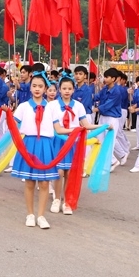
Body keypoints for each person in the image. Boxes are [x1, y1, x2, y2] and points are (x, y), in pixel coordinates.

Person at [11, 72, 58, 229]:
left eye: (40, 86)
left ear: (45, 89)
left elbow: (59, 128)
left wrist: (79, 131)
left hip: (45, 145)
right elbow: (13, 124)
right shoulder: (23, 107)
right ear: (30, 88)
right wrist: (5, 113)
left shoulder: (52, 107)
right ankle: (30, 214)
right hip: (29, 144)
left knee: (44, 183)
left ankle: (41, 216)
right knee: (30, 182)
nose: (37, 89)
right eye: (34, 86)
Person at [50, 75, 99, 213]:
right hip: (58, 142)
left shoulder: (78, 106)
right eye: (64, 88)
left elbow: (86, 125)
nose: (67, 91)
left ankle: (67, 202)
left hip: (73, 143)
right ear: (59, 89)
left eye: (69, 88)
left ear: (73, 90)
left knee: (69, 173)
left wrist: (103, 126)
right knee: (58, 172)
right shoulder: (52, 106)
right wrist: (76, 130)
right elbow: (56, 128)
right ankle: (56, 199)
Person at [94, 68, 125, 167]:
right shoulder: (105, 88)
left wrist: (97, 109)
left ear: (113, 79)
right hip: (103, 117)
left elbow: (109, 104)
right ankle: (117, 157)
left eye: (107, 77)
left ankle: (112, 161)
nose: (105, 79)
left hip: (112, 118)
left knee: (109, 141)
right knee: (100, 139)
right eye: (105, 76)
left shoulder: (117, 91)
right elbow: (98, 97)